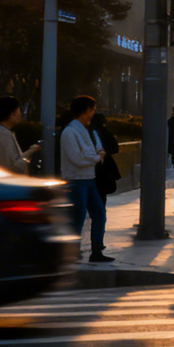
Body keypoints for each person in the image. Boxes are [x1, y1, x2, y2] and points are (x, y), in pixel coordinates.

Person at [60, 96, 112, 263]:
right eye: (92, 109)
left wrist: (93, 156)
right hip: (75, 180)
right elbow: (78, 158)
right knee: (78, 216)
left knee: (99, 214)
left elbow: (87, 154)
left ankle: (96, 251)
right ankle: (72, 252)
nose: (94, 113)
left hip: (88, 179)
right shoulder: (70, 132)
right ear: (86, 110)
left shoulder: (83, 130)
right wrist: (97, 158)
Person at [0, 96, 39, 174]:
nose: (20, 114)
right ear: (12, 114)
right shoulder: (3, 134)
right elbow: (12, 167)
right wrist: (29, 153)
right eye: (19, 110)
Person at [91, 113, 121, 196]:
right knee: (101, 194)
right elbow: (115, 148)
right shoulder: (104, 131)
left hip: (94, 167)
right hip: (104, 166)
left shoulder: (89, 132)